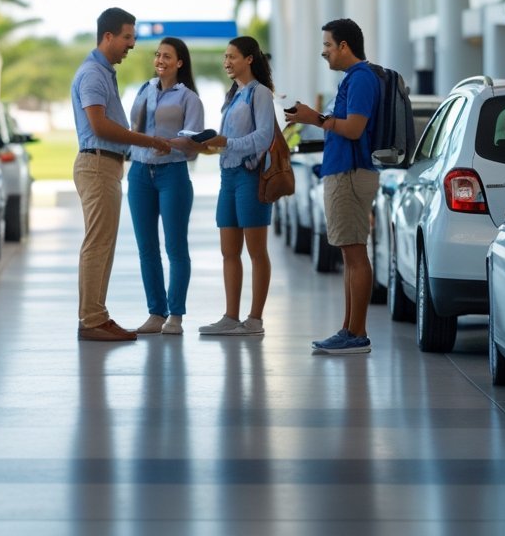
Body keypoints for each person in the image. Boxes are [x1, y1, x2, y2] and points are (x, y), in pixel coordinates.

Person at [72, 8, 171, 342]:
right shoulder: (93, 74)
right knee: (98, 244)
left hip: (107, 164)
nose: (133, 44)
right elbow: (99, 125)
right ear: (108, 36)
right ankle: (92, 319)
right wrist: (148, 140)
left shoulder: (104, 73)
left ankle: (96, 316)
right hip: (97, 163)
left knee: (103, 244)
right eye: (128, 37)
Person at [285, 18, 380, 355]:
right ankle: (349, 329)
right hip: (343, 171)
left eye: (327, 45)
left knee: (355, 254)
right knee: (348, 253)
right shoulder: (351, 80)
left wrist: (315, 118)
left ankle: (357, 334)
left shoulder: (362, 79)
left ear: (344, 46)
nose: (323, 52)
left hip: (351, 173)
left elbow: (354, 128)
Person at [189, 36, 278, 336]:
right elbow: (232, 140)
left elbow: (264, 137)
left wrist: (227, 142)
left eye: (233, 57)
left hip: (250, 176)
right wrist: (211, 143)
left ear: (249, 59)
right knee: (229, 250)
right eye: (225, 57)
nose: (227, 62)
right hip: (227, 175)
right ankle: (230, 316)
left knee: (256, 251)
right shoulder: (233, 95)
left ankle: (254, 320)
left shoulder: (260, 93)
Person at [127, 38, 204, 336]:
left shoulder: (189, 98)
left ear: (180, 62)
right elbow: (135, 131)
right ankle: (155, 313)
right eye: (157, 55)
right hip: (139, 174)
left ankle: (176, 315)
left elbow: (195, 145)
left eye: (167, 56)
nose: (160, 60)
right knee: (147, 248)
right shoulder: (143, 90)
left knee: (175, 248)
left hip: (173, 174)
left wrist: (168, 145)